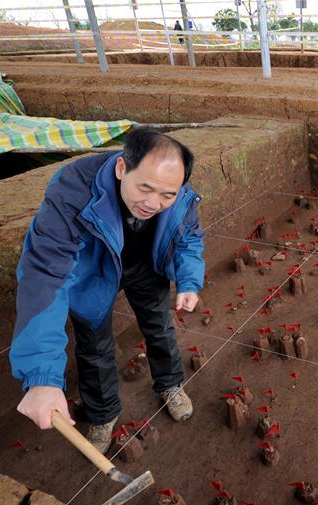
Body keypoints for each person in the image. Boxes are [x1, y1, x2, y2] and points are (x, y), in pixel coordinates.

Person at [10, 127, 205, 454]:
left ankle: (170, 384)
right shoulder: (72, 192)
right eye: (145, 188)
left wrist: (189, 280)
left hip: (146, 266)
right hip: (94, 271)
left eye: (166, 195)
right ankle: (103, 413)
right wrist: (42, 376)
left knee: (159, 326)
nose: (153, 203)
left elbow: (188, 239)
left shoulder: (179, 194)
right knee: (94, 345)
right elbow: (45, 276)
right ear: (121, 169)